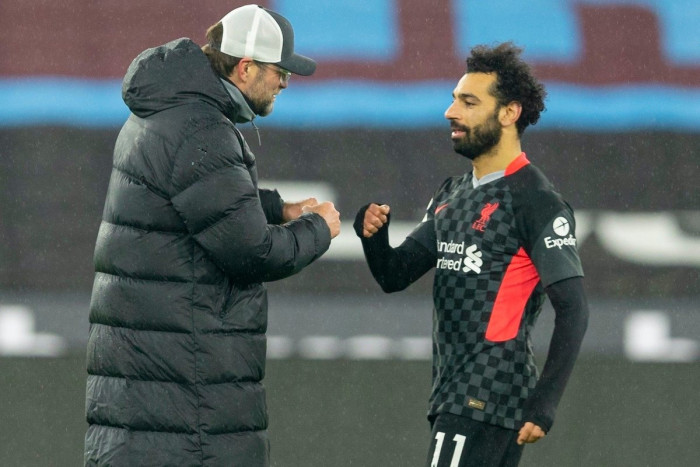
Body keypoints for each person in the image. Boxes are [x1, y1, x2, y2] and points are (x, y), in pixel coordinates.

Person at [84, 5, 340, 466]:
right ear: (246, 68)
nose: (285, 82)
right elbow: (253, 253)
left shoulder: (169, 110)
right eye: (280, 71)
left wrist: (275, 208)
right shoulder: (202, 129)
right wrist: (318, 229)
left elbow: (187, 201)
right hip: (185, 416)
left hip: (149, 405)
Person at [354, 42, 589, 467]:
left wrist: (545, 403)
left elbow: (573, 309)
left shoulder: (535, 200)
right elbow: (395, 274)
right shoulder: (454, 192)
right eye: (453, 99)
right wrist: (372, 235)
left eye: (468, 102)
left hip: (489, 396)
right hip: (454, 394)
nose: (451, 112)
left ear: (509, 113)